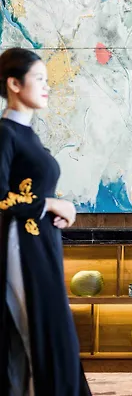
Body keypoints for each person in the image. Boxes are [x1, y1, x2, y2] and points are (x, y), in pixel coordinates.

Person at [0, 48, 91, 395]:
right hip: (20, 245)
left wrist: (56, 209)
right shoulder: (5, 133)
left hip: (42, 244)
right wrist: (52, 204)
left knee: (53, 335)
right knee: (39, 333)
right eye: (39, 79)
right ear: (14, 84)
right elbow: (1, 197)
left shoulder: (30, 135)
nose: (46, 86)